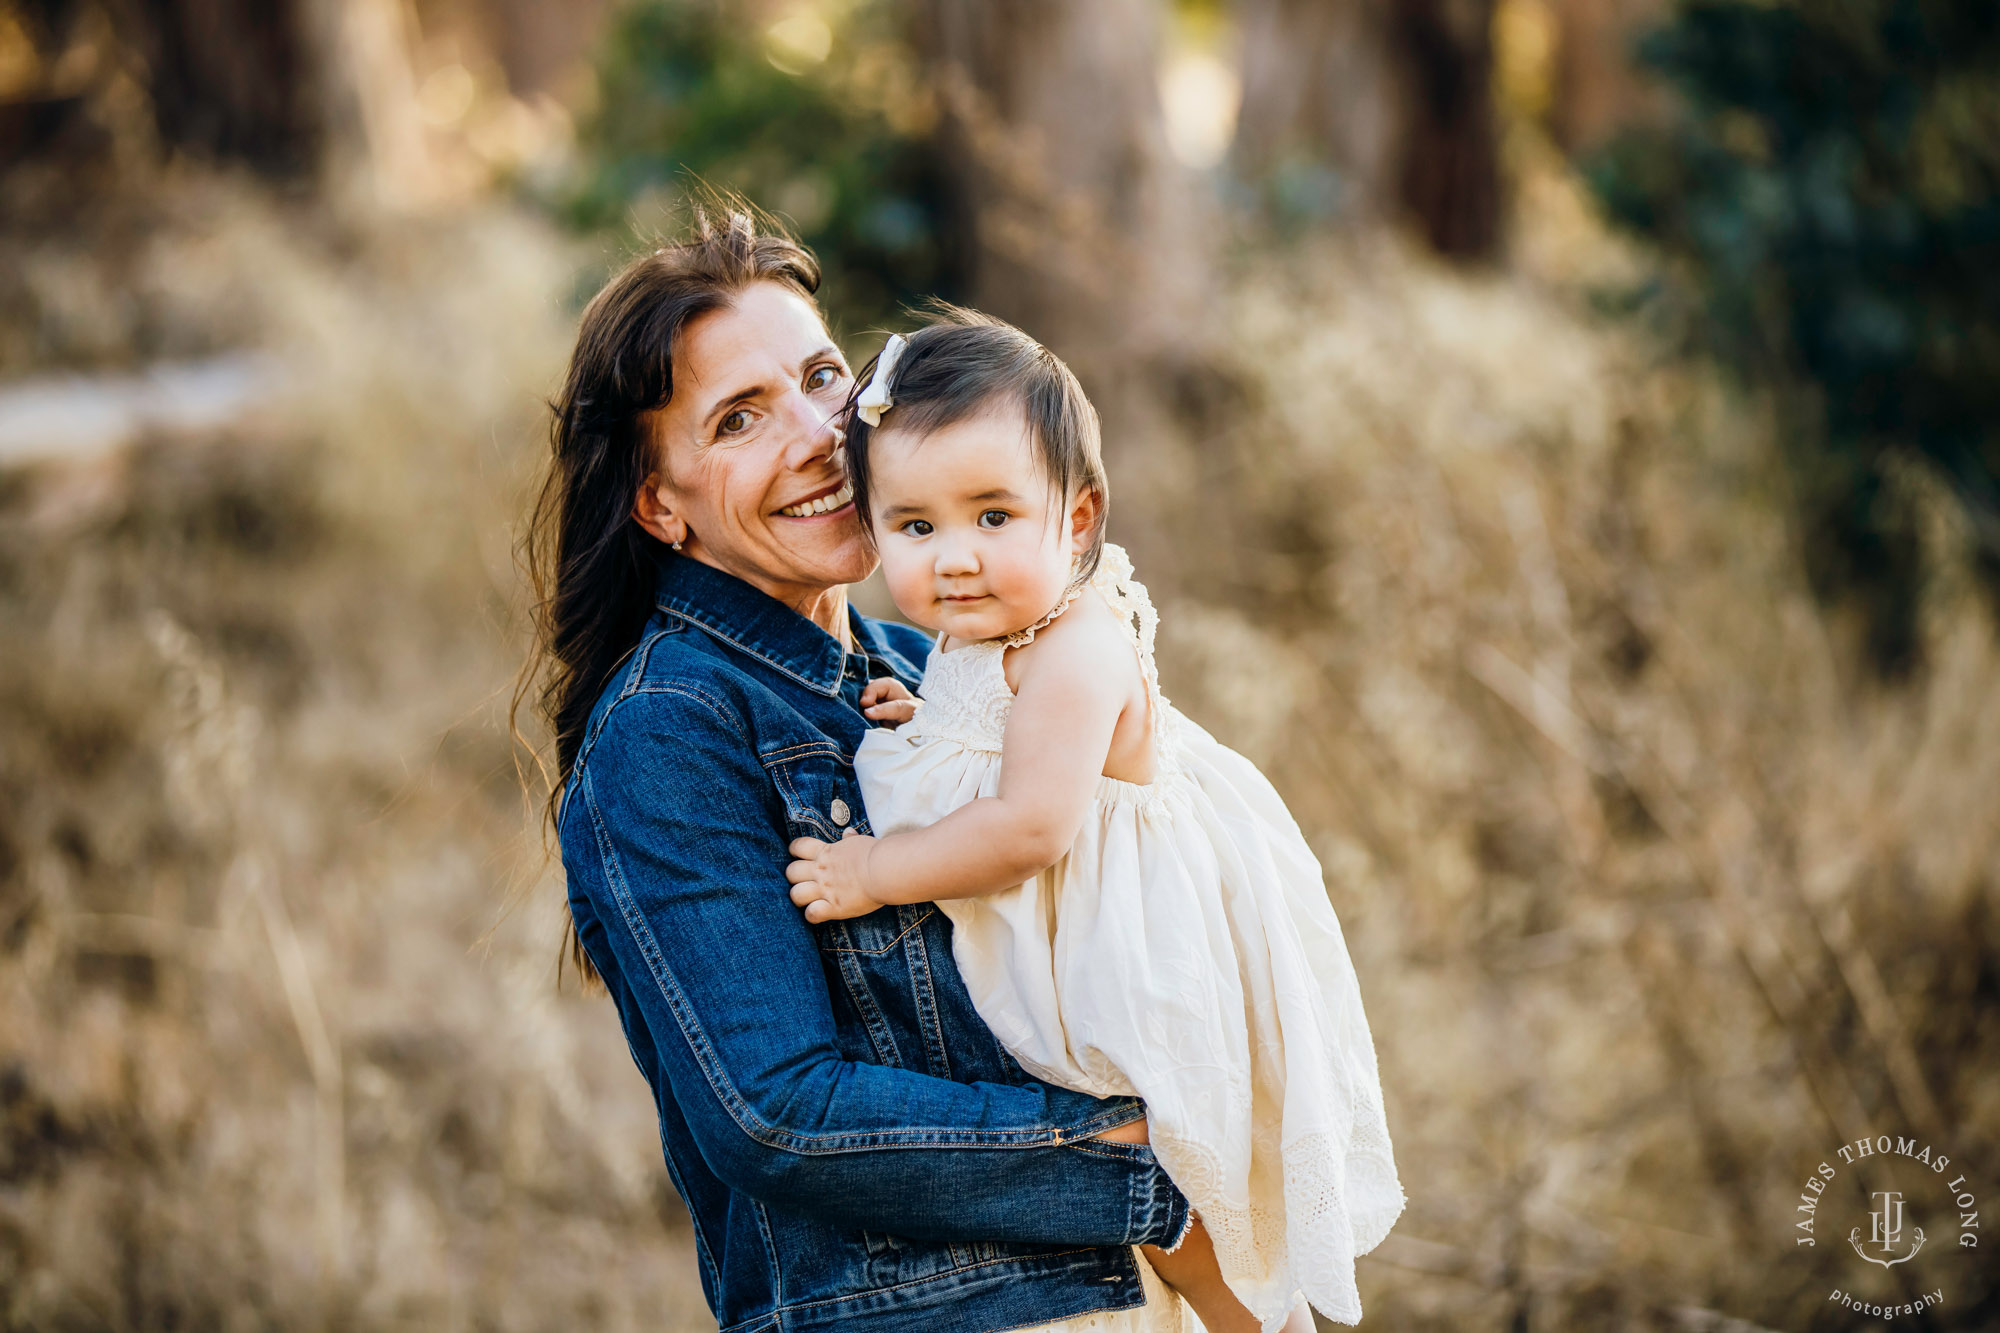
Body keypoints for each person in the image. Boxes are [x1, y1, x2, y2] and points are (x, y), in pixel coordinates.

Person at [519, 204, 1200, 1333]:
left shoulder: (931, 663)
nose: (816, 434)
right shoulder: (668, 728)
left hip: (1118, 1283)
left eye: (824, 377)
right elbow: (774, 1113)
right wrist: (1121, 1156)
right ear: (660, 506)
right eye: (738, 419)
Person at [786, 311, 1408, 1330]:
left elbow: (1028, 824)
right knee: (1132, 1204)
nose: (954, 559)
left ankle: (1260, 1320)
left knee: (1184, 1191)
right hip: (1077, 929)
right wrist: (930, 721)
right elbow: (983, 730)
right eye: (915, 526)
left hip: (1140, 948)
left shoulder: (1075, 644)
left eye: (993, 516)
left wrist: (874, 871)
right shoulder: (976, 632)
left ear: (1076, 521)